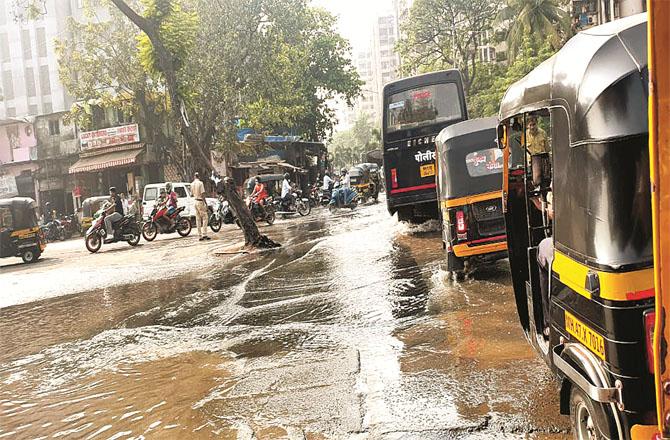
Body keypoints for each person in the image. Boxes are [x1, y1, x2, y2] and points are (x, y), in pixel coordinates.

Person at [525, 116, 549, 187]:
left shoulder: (543, 133)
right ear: (527, 126)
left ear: (537, 123)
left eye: (534, 124)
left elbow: (547, 149)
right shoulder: (525, 135)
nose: (532, 127)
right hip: (531, 163)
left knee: (545, 182)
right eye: (530, 125)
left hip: (543, 161)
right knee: (534, 182)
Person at [191, 172, 210, 241]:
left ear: (194, 176)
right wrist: (205, 203)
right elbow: (203, 194)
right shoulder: (200, 183)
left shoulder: (192, 184)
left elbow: (192, 193)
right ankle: (204, 234)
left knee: (198, 219)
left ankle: (200, 235)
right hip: (200, 201)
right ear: (199, 176)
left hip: (195, 201)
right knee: (205, 217)